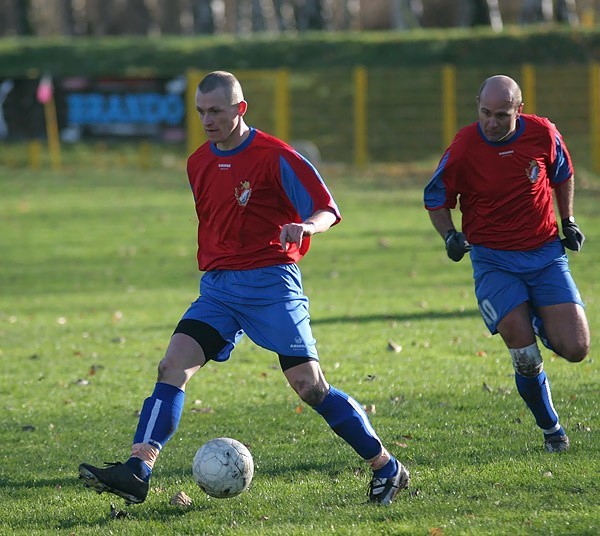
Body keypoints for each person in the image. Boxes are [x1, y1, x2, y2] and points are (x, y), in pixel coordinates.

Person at [79, 70, 409, 506]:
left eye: (216, 110)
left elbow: (327, 208)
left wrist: (305, 226)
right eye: (201, 112)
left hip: (272, 283)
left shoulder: (276, 157)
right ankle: (139, 468)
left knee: (310, 387)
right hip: (218, 290)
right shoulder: (197, 162)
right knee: (172, 366)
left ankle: (387, 467)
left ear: (240, 109)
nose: (208, 119)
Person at [424, 74, 590, 453]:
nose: (492, 122)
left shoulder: (543, 134)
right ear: (477, 106)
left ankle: (536, 318)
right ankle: (552, 430)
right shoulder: (465, 146)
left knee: (577, 348)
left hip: (546, 254)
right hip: (493, 259)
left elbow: (562, 174)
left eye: (501, 115)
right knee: (524, 351)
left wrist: (568, 221)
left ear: (520, 109)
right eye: (485, 113)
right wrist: (450, 235)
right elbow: (435, 196)